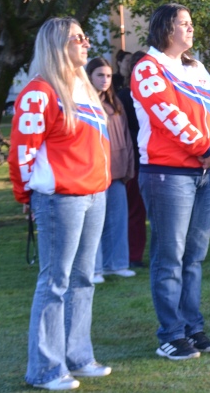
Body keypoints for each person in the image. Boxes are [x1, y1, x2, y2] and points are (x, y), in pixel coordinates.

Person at [10, 18, 112, 391]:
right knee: (55, 282)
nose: (86, 43)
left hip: (94, 195)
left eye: (86, 37)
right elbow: (22, 151)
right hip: (60, 198)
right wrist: (26, 196)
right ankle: (46, 368)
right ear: (57, 44)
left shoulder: (83, 88)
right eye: (77, 38)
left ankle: (78, 356)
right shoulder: (40, 91)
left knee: (83, 280)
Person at [132, 3, 210, 360]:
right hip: (168, 173)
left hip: (205, 171)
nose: (190, 29)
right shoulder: (147, 67)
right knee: (170, 257)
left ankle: (193, 327)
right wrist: (204, 147)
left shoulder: (196, 67)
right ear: (164, 29)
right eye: (183, 24)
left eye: (191, 23)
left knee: (194, 257)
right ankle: (170, 334)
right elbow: (165, 114)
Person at [86, 58, 136, 282]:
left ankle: (116, 264)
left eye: (107, 76)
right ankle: (94, 268)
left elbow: (125, 136)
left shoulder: (115, 103)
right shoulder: (84, 103)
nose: (105, 80)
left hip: (116, 171)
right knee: (94, 224)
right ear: (89, 77)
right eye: (99, 75)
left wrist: (128, 166)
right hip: (93, 174)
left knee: (117, 219)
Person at [116, 50, 147, 268]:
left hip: (152, 160)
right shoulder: (125, 97)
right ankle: (132, 255)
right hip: (135, 161)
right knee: (134, 211)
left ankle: (135, 254)